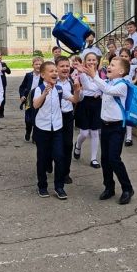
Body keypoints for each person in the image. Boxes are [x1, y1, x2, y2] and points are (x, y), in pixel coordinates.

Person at [75, 57, 136, 205]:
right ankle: (109, 187)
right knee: (105, 159)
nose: (109, 67)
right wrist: (83, 73)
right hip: (105, 126)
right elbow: (90, 87)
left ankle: (127, 189)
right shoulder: (107, 82)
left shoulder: (123, 85)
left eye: (113, 65)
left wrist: (94, 76)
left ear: (121, 71)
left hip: (117, 127)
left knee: (114, 158)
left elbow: (107, 90)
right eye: (109, 64)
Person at [32, 61, 77, 200]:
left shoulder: (59, 89)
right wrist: (45, 93)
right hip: (42, 129)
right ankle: (42, 186)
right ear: (43, 74)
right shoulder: (39, 89)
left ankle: (59, 187)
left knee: (59, 157)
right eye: (51, 71)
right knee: (42, 159)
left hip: (57, 128)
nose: (55, 73)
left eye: (55, 71)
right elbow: (35, 105)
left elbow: (74, 99)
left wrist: (78, 90)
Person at [74, 52, 103, 168]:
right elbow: (88, 86)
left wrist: (100, 91)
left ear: (97, 61)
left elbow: (106, 86)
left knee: (95, 132)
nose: (91, 62)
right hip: (85, 103)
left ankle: (94, 158)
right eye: (89, 60)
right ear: (85, 62)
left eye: (94, 60)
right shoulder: (81, 73)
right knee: (85, 133)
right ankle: (78, 145)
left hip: (97, 104)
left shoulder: (102, 72)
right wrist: (99, 88)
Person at [56, 56, 80, 185]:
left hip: (67, 116)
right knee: (54, 145)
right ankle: (50, 162)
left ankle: (65, 173)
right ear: (56, 68)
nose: (65, 68)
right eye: (62, 66)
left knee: (68, 145)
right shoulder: (52, 81)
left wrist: (78, 90)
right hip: (54, 117)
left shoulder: (72, 81)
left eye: (67, 66)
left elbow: (76, 98)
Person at [18, 57, 44, 142]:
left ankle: (35, 136)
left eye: (40, 64)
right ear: (32, 65)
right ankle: (28, 131)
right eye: (36, 64)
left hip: (40, 98)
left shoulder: (44, 76)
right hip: (29, 98)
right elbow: (22, 87)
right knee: (28, 119)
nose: (38, 66)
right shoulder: (28, 75)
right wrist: (22, 95)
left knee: (37, 117)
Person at [0, 51, 11, 117]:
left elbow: (9, 72)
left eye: (0, 55)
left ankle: (1, 112)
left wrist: (6, 68)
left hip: (2, 82)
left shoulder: (3, 64)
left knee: (2, 97)